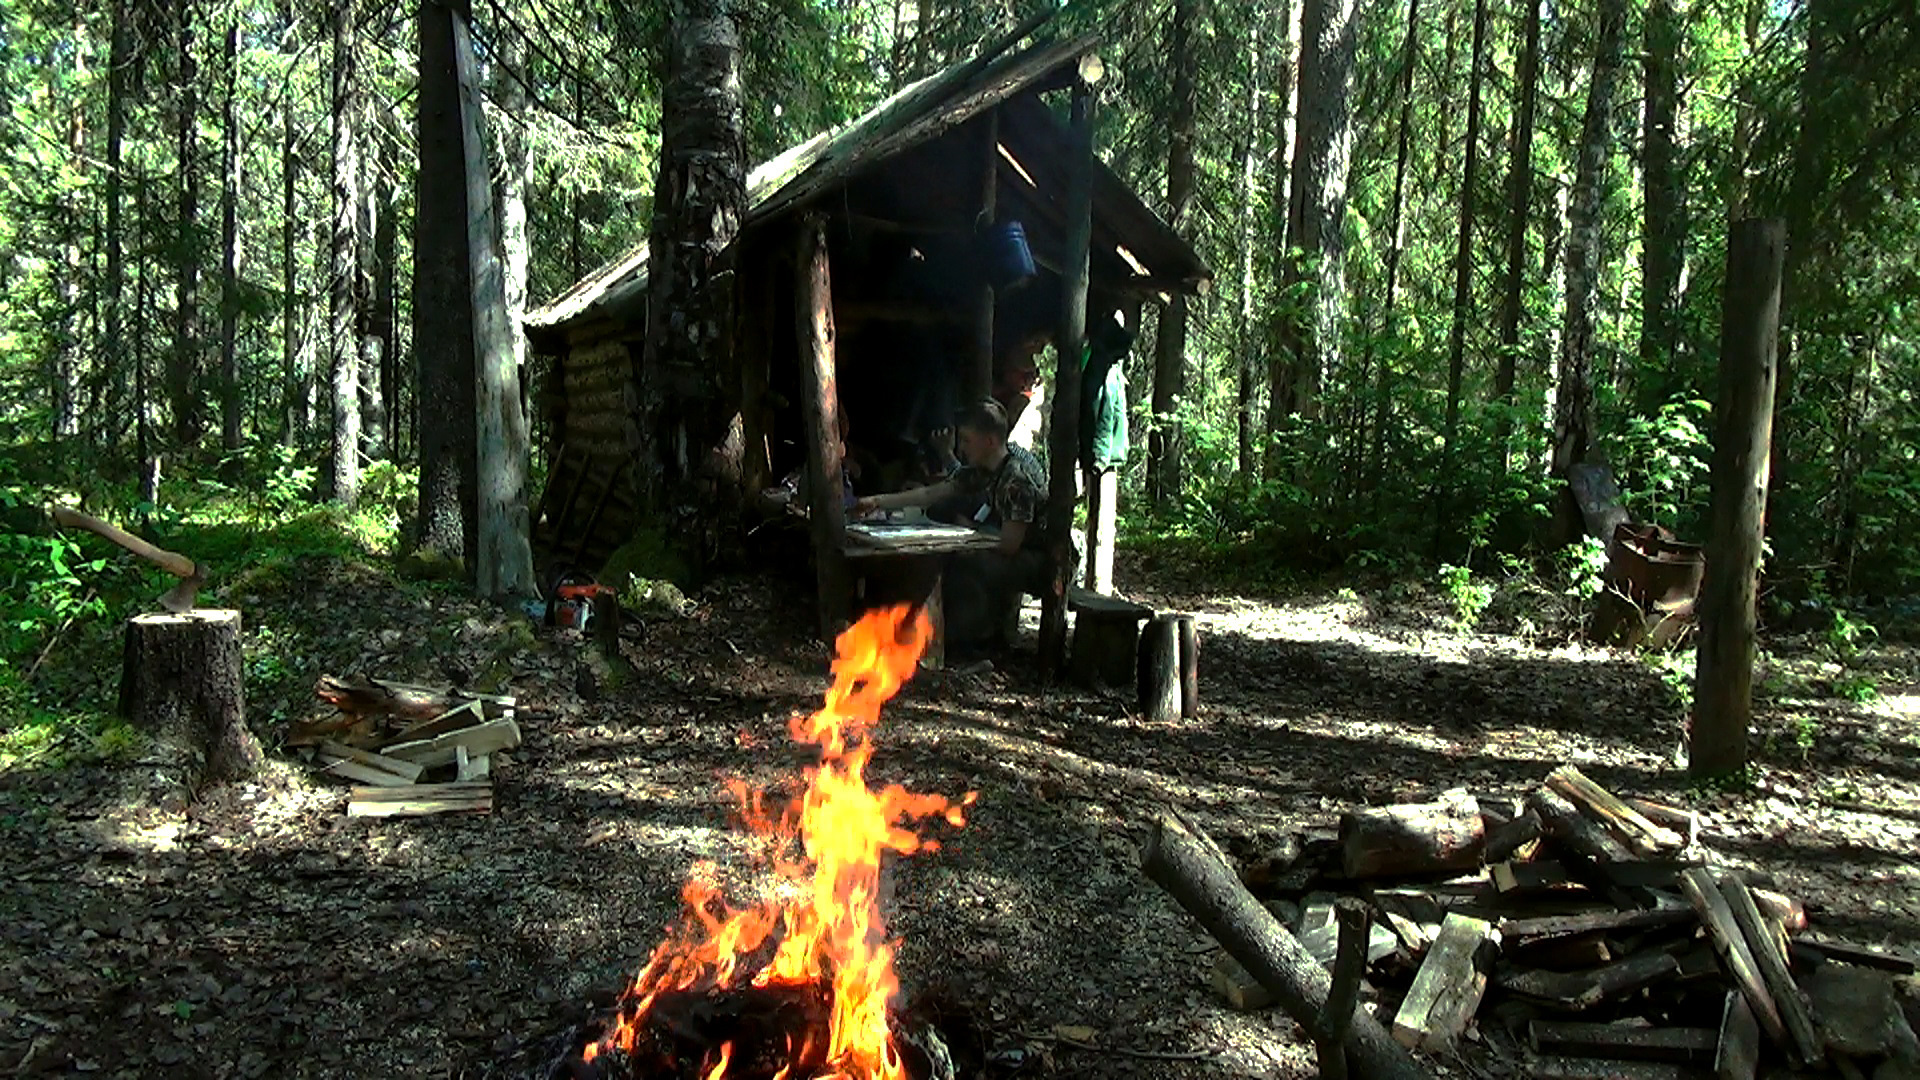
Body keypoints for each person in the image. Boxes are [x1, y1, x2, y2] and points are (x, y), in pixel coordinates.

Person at [853, 398, 1051, 653]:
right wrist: (877, 502)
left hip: (1041, 559)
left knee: (967, 564)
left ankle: (976, 640)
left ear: (990, 442)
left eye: (968, 440)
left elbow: (1009, 544)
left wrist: (969, 530)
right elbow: (929, 495)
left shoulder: (1016, 480)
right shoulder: (982, 470)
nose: (962, 447)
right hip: (1015, 549)